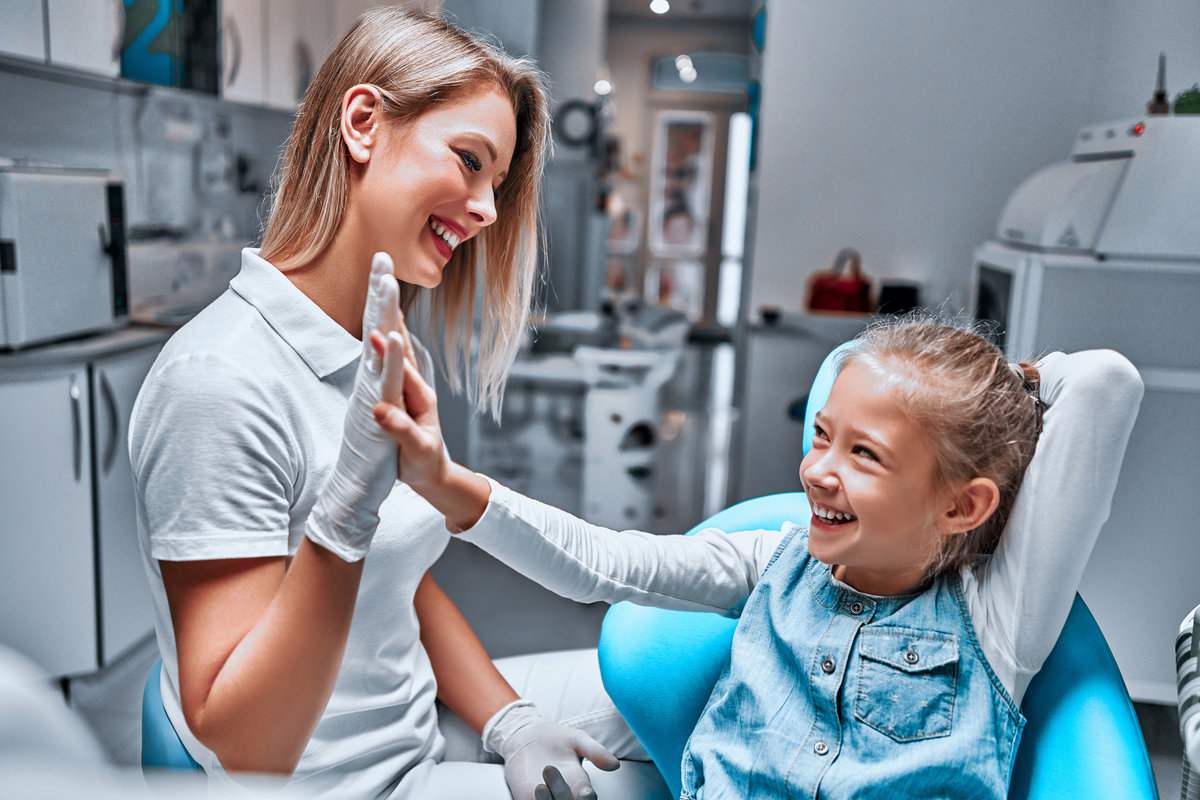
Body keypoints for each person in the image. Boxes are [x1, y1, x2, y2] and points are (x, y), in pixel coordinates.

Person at [129, 9, 656, 799]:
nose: (486, 210)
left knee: (715, 689)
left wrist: (509, 720)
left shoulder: (373, 343)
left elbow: (397, 576)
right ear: (365, 122)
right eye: (470, 161)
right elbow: (246, 749)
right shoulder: (219, 381)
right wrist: (342, 516)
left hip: (420, 726)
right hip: (347, 784)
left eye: (498, 185)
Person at [373, 313, 1145, 798]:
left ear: (961, 505)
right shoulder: (772, 562)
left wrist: (1008, 387)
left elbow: (1109, 382)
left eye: (865, 454)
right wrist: (449, 486)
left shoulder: (997, 620)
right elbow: (606, 562)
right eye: (821, 436)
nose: (817, 470)